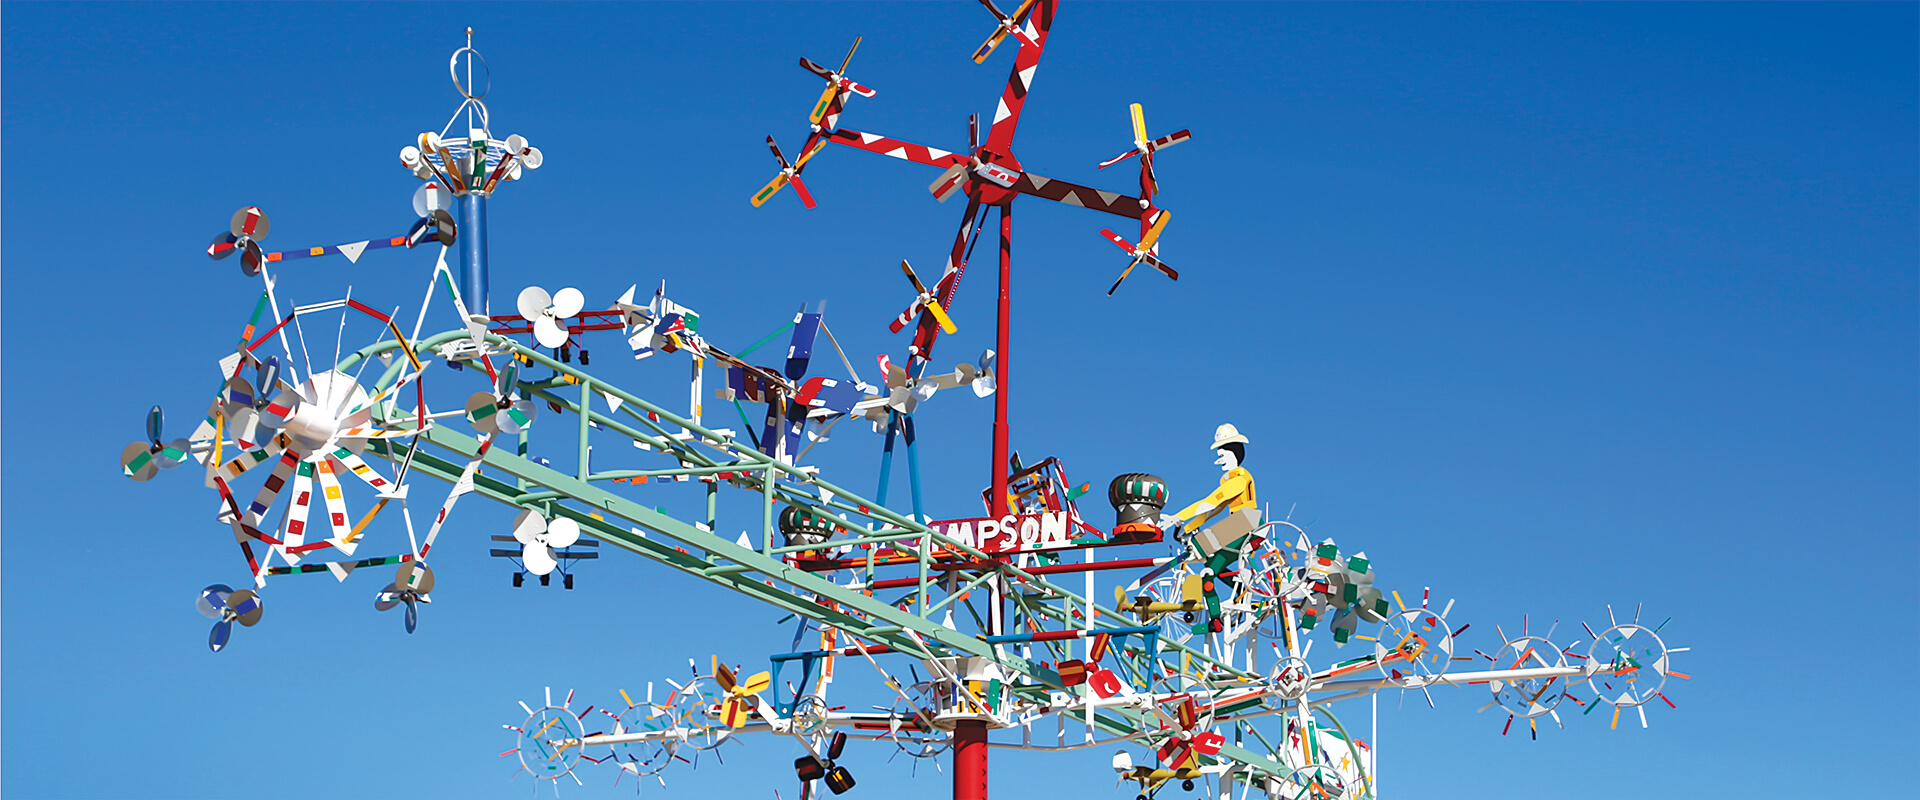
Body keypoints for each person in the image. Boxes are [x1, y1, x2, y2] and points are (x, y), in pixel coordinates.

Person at [1166, 424, 1261, 631]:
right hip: (1239, 524)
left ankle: (1243, 593)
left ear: (1235, 452)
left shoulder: (1239, 479)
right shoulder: (1228, 479)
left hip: (1247, 523)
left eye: (1223, 454)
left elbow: (1210, 502)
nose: (1220, 460)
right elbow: (1213, 510)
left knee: (1203, 546)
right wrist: (1188, 526)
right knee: (1209, 572)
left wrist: (1176, 517)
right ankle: (1217, 618)